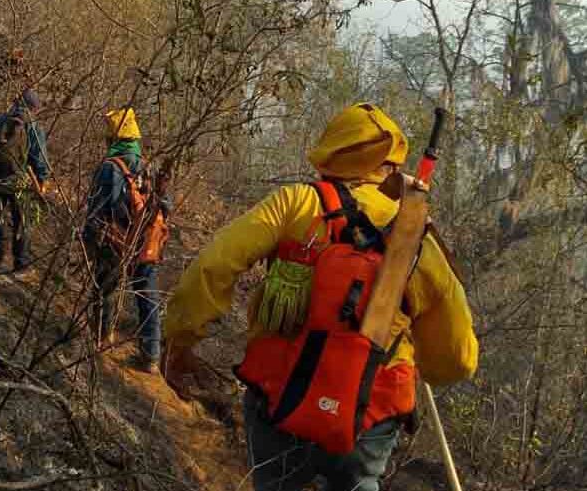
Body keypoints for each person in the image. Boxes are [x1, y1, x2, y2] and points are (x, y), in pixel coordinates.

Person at [162, 102, 479, 491]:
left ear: (331, 152)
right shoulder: (416, 237)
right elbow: (459, 359)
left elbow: (212, 266)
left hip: (279, 397)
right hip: (370, 414)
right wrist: (421, 359)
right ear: (392, 165)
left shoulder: (296, 203)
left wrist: (181, 339)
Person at [84, 107, 171, 373]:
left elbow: (100, 207)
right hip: (145, 240)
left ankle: (102, 338)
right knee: (147, 293)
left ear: (113, 138)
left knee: (105, 286)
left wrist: (90, 236)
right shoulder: (150, 165)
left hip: (115, 239)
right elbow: (165, 204)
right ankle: (151, 356)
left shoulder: (111, 168)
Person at [0, 89, 49, 270]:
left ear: (16, 102)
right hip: (20, 182)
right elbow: (39, 159)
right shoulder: (33, 127)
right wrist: (42, 181)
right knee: (24, 220)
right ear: (34, 108)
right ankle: (21, 262)